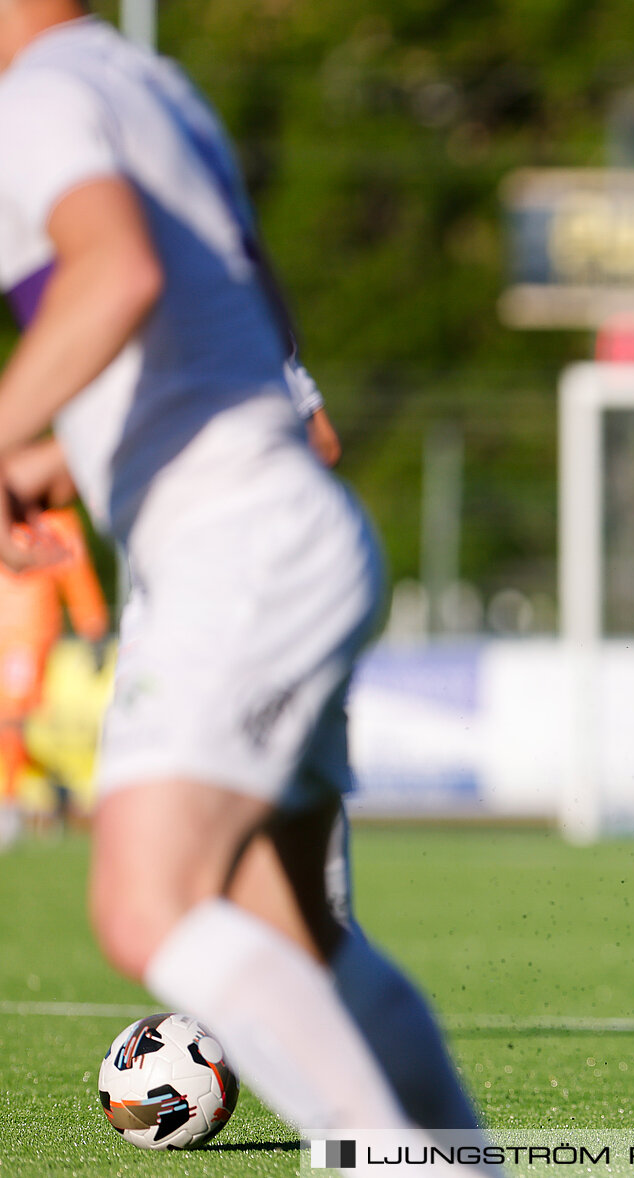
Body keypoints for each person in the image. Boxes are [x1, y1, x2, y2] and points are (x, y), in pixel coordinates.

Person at [0, 1, 493, 1158]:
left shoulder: (35, 97)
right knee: (306, 934)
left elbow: (112, 273)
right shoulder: (151, 86)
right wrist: (48, 448)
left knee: (146, 900)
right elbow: (244, 327)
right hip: (270, 518)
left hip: (235, 542)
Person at [0, 504, 106, 846]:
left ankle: (8, 805)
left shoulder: (55, 520)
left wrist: (92, 625)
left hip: (26, 629)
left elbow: (74, 570)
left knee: (11, 718)